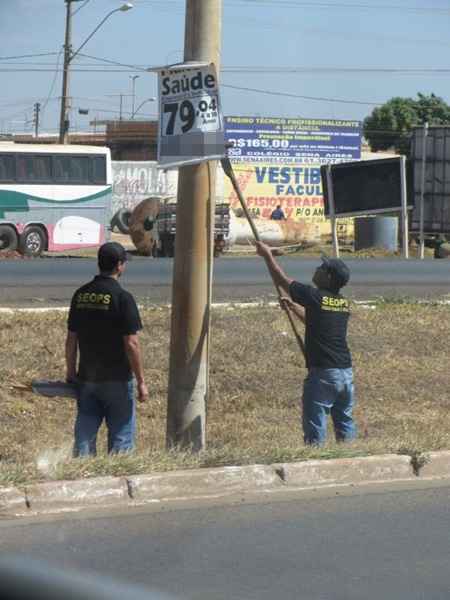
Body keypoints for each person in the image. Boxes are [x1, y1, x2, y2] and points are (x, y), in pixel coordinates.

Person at [256, 241, 355, 446]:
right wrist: (293, 308)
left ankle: (315, 458)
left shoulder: (314, 295)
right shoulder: (342, 303)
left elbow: (282, 280)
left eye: (321, 268)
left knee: (315, 419)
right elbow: (314, 322)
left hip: (324, 373)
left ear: (328, 277)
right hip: (345, 373)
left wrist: (267, 255)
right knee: (344, 420)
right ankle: (349, 455)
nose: (317, 269)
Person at [65, 242, 149, 457]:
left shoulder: (81, 295)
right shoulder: (123, 298)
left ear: (99, 263)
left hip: (87, 379)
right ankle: (118, 476)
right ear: (120, 266)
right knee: (121, 432)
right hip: (117, 380)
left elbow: (71, 339)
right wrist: (141, 381)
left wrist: (71, 372)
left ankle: (81, 472)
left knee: (85, 430)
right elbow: (131, 343)